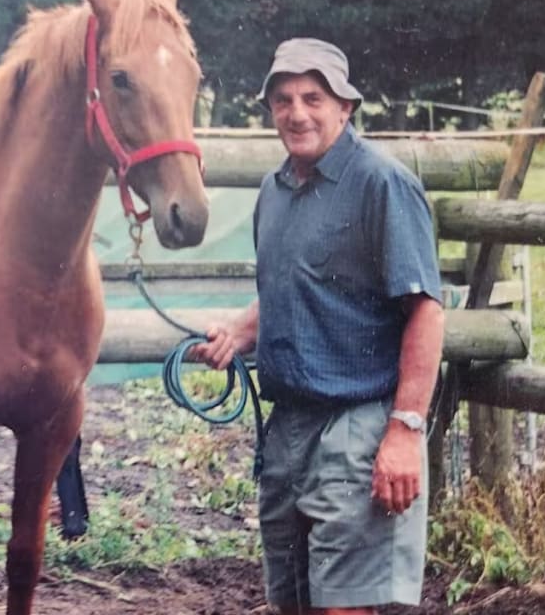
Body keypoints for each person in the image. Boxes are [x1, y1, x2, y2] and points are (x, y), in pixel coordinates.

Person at [190, 38, 445, 614]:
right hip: (289, 429)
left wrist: (404, 430)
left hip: (358, 421)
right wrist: (240, 332)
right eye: (283, 100)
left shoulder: (381, 183)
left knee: (343, 605)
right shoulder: (275, 190)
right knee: (293, 600)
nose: (296, 113)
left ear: (345, 106)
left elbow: (426, 311)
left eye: (313, 98)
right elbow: (292, 286)